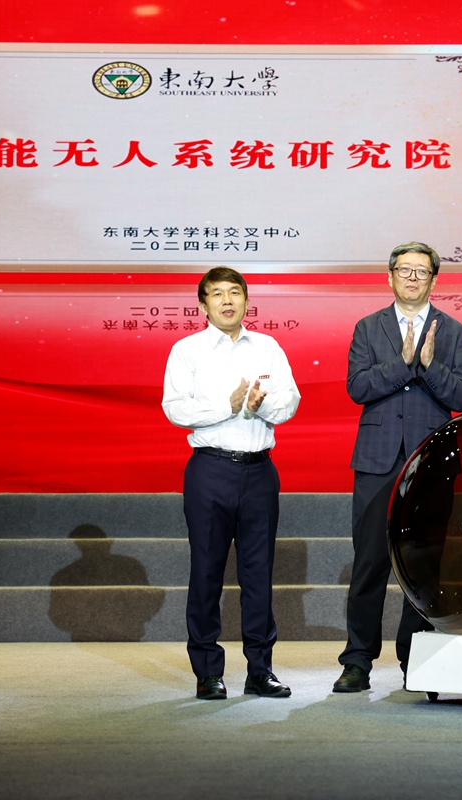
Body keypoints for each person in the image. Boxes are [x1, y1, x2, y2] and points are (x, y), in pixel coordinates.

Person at [333, 242, 462, 693]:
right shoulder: (367, 327)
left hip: (430, 462)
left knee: (423, 565)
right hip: (377, 460)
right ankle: (357, 661)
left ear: (434, 279)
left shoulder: (455, 331)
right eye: (405, 270)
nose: (413, 278)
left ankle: (416, 660)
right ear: (390, 276)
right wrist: (403, 363)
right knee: (369, 563)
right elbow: (358, 387)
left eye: (421, 271)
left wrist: (429, 365)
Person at [162, 267, 300, 700]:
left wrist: (260, 406)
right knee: (206, 572)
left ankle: (260, 670)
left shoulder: (268, 347)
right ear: (202, 304)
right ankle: (208, 672)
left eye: (235, 293)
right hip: (210, 470)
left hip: (259, 471)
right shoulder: (187, 350)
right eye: (217, 294)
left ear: (246, 301)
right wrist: (229, 405)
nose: (227, 301)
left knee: (259, 575)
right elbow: (175, 408)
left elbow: (290, 401)